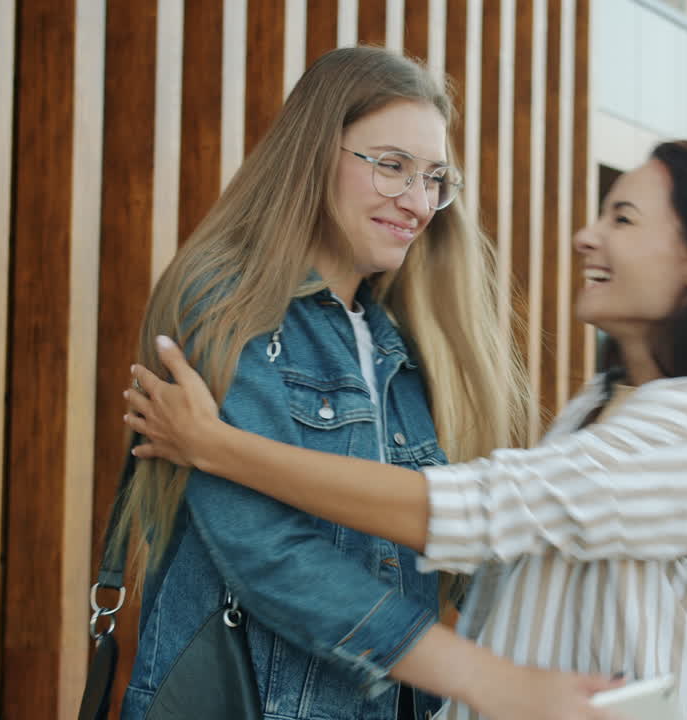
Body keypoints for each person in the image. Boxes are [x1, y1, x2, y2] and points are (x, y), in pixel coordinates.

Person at [125, 140, 687, 719]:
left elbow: (479, 508)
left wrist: (220, 448)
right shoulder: (600, 405)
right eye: (390, 166)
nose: (587, 234)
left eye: (624, 219)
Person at [111, 46, 539, 720]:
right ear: (314, 154)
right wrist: (466, 671)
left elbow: (433, 532)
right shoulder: (227, 302)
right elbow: (267, 553)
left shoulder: (397, 341)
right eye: (392, 166)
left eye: (434, 177)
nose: (418, 201)